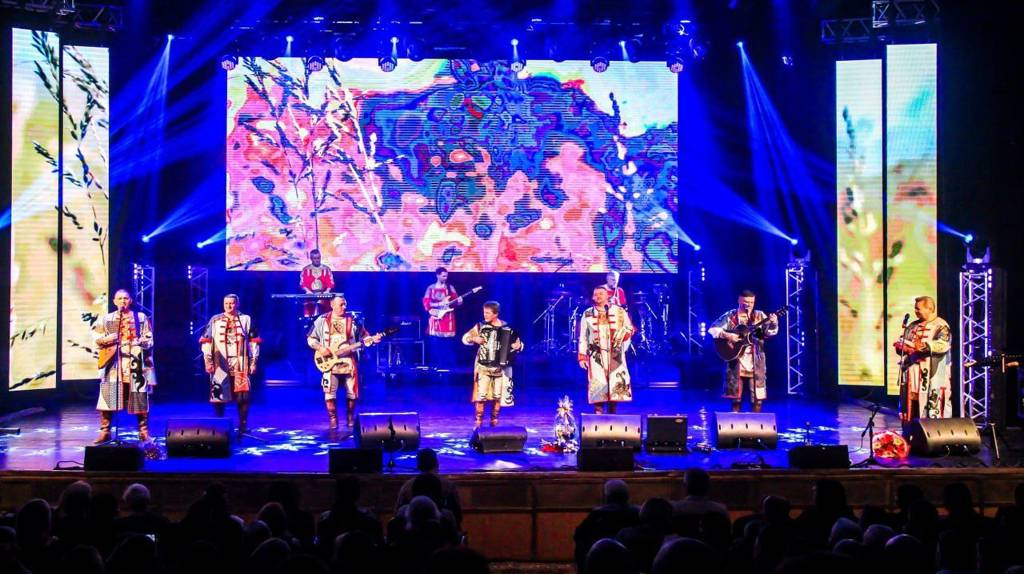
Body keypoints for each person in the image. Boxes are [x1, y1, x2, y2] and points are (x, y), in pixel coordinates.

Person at [307, 295, 380, 430]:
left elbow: (365, 338)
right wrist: (320, 348)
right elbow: (311, 338)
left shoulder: (354, 321)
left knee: (352, 393)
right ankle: (333, 420)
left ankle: (350, 418)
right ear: (332, 305)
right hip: (329, 363)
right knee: (329, 393)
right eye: (341, 304)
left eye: (345, 304)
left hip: (349, 361)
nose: (344, 307)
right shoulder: (322, 320)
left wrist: (373, 340)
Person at [93, 289, 156, 443]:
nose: (123, 301)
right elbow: (97, 338)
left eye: (126, 298)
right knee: (109, 395)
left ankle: (143, 432)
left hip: (135, 361)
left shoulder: (140, 317)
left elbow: (149, 338)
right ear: (114, 301)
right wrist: (109, 339)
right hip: (114, 362)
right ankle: (105, 431)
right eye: (120, 298)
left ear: (130, 301)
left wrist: (142, 342)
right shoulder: (107, 319)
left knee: (139, 396)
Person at [708, 289, 778, 413]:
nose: (748, 305)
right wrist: (728, 335)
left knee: (757, 399)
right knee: (736, 399)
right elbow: (712, 329)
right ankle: (734, 423)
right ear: (739, 301)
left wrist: (773, 323)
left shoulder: (760, 315)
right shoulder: (731, 316)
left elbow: (769, 332)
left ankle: (756, 423)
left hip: (756, 360)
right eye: (745, 302)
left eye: (751, 302)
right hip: (736, 359)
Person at [199, 294, 261, 433]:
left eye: (232, 303)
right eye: (226, 303)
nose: (229, 306)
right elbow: (206, 342)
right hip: (220, 363)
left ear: (237, 304)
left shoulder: (246, 319)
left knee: (243, 396)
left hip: (240, 362)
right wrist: (208, 361)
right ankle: (220, 425)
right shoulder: (215, 320)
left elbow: (253, 343)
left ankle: (243, 426)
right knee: (219, 394)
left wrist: (253, 362)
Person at [462, 301, 523, 427]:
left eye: (488, 313)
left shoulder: (507, 327)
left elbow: (519, 343)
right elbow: (465, 338)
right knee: (481, 396)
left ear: (496, 314)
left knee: (497, 396)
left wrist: (518, 346)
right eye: (484, 312)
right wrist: (473, 338)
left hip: (500, 368)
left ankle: (494, 423)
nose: (485, 315)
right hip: (484, 367)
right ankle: (478, 423)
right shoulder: (480, 326)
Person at [894, 295, 952, 421]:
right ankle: (912, 428)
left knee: (932, 402)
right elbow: (903, 342)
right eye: (915, 308)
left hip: (932, 371)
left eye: (918, 309)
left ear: (929, 308)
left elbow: (943, 345)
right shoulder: (912, 326)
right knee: (912, 401)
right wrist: (901, 347)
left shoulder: (941, 325)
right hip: (913, 371)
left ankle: (933, 428)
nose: (915, 311)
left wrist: (922, 347)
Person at [578, 286, 635, 413]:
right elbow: (583, 336)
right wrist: (582, 356)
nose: (598, 296)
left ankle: (612, 412)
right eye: (595, 294)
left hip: (615, 353)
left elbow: (629, 328)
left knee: (615, 380)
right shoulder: (587, 313)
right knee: (598, 380)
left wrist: (623, 335)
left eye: (601, 294)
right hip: (596, 353)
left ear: (608, 295)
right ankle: (598, 411)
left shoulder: (619, 311)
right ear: (592, 297)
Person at [422, 267, 463, 368]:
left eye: (446, 276)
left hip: (448, 318)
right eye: (443, 276)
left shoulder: (450, 288)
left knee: (448, 344)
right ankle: (436, 365)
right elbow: (426, 303)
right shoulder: (431, 288)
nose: (445, 278)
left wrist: (459, 301)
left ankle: (448, 366)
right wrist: (438, 305)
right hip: (436, 318)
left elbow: (455, 302)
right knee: (435, 343)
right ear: (437, 275)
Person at [299, 249, 335, 317]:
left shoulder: (326, 269)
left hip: (323, 296)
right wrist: (308, 291)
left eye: (318, 258)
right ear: (311, 258)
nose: (317, 260)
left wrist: (327, 291)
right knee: (309, 315)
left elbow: (331, 282)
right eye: (315, 258)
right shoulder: (306, 269)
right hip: (310, 296)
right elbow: (302, 283)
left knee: (324, 315)